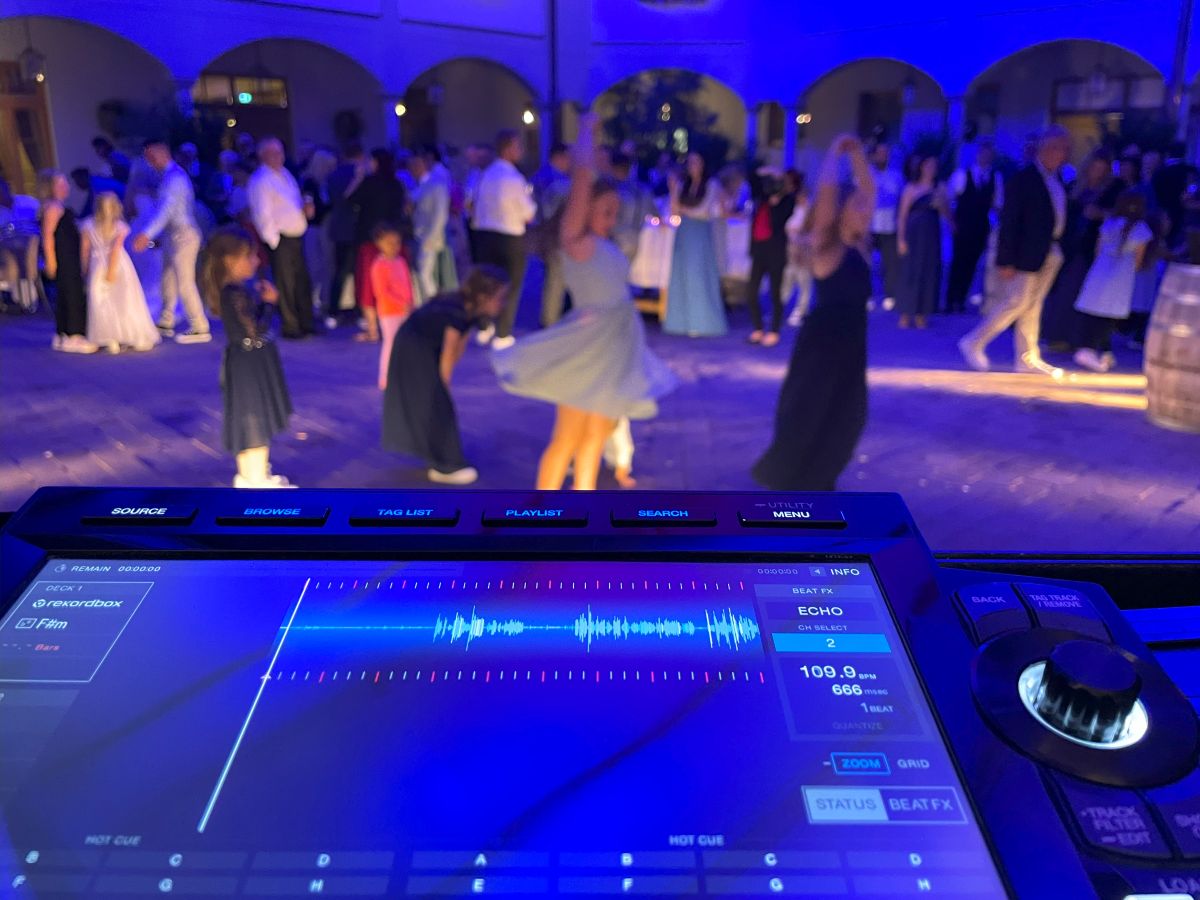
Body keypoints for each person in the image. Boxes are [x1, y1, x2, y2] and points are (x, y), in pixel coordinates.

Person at [491, 114, 677, 491]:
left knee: (594, 437)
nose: (612, 218)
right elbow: (582, 178)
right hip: (589, 348)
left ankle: (583, 504)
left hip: (613, 347)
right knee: (568, 438)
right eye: (606, 211)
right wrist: (587, 132)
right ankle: (543, 509)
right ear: (583, 208)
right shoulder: (576, 241)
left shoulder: (602, 243)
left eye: (614, 212)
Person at [752, 134, 876, 491]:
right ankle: (796, 486)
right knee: (810, 417)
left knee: (848, 418)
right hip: (823, 348)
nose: (865, 210)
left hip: (851, 346)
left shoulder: (861, 244)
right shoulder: (828, 245)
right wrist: (834, 153)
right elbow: (826, 197)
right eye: (857, 206)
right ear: (841, 211)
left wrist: (857, 153)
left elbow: (869, 189)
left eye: (865, 207)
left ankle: (818, 482)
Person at [958, 126, 1072, 377]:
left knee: (1033, 305)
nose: (1061, 153)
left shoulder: (1057, 180)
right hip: (1027, 252)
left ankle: (1027, 357)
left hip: (1050, 249)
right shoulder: (1024, 179)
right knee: (1016, 301)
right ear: (1043, 149)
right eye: (1055, 148)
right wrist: (1006, 259)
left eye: (1064, 148)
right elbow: (1010, 221)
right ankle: (974, 340)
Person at [382, 265, 508, 485]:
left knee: (434, 402)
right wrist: (443, 387)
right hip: (413, 348)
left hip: (420, 344)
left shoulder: (469, 310)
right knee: (437, 404)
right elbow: (449, 354)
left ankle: (438, 458)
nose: (503, 303)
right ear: (482, 296)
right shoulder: (455, 311)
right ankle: (445, 465)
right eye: (500, 298)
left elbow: (459, 347)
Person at [200, 226, 295, 489]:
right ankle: (257, 480)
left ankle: (250, 475)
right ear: (231, 260)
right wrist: (270, 303)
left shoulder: (232, 291)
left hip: (244, 361)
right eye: (249, 256)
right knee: (255, 416)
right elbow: (254, 332)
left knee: (248, 415)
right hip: (250, 364)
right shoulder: (234, 293)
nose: (255, 261)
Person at [132, 139, 212, 344]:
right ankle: (166, 320)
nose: (149, 162)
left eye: (151, 157)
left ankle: (199, 325)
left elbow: (166, 210)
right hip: (173, 235)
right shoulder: (169, 176)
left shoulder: (174, 178)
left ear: (160, 154)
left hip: (183, 235)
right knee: (167, 278)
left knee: (185, 281)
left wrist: (147, 234)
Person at [1040, 152, 1116, 348]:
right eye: (1094, 168)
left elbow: (1118, 217)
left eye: (1101, 169)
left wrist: (1101, 215)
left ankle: (1075, 338)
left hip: (1092, 248)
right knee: (1063, 291)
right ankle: (1057, 335)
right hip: (1070, 245)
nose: (1097, 173)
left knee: (1081, 292)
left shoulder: (1110, 192)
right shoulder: (1074, 187)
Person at [1071, 190, 1153, 372]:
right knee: (1110, 314)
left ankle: (1103, 351)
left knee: (1093, 310)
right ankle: (1089, 350)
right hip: (1122, 275)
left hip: (1100, 269)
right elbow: (1138, 261)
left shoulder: (1109, 223)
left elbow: (1098, 249)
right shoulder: (1141, 228)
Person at [471, 130, 536, 348]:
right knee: (510, 285)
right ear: (508, 149)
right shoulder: (513, 178)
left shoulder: (485, 175)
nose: (521, 151)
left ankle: (484, 325)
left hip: (484, 234)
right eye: (518, 146)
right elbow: (528, 213)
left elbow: (473, 204)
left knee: (486, 283)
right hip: (510, 237)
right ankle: (503, 333)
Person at [247, 137, 315, 339]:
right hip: (281, 239)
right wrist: (273, 241)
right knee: (286, 284)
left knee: (301, 281)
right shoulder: (261, 180)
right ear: (263, 156)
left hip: (296, 236)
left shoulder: (285, 174)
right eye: (274, 153)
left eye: (280, 152)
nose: (279, 157)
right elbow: (262, 214)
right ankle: (291, 326)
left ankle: (306, 322)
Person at [80, 192, 159, 353]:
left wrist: (85, 270)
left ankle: (110, 338)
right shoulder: (119, 226)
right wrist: (111, 270)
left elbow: (85, 251)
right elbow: (114, 249)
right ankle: (125, 335)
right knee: (123, 301)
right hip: (118, 266)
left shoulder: (89, 225)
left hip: (98, 265)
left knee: (102, 301)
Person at [348, 147, 409, 342]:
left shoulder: (368, 182)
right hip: (394, 241)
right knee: (396, 284)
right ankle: (398, 325)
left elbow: (350, 200)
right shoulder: (397, 184)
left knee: (369, 287)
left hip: (370, 240)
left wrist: (358, 177)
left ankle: (373, 329)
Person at [664, 152, 728, 337]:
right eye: (690, 162)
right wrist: (673, 190)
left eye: (697, 162)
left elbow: (703, 211)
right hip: (684, 232)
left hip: (699, 233)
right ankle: (680, 322)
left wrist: (683, 209)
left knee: (698, 275)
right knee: (681, 275)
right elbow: (674, 211)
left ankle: (702, 322)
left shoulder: (711, 185)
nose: (693, 166)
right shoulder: (683, 185)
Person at [38, 169, 96, 353]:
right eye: (60, 184)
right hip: (65, 258)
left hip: (68, 256)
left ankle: (62, 333)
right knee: (73, 295)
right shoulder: (53, 208)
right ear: (50, 187)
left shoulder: (56, 206)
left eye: (65, 183)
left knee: (65, 294)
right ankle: (74, 335)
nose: (65, 187)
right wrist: (51, 262)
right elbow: (47, 237)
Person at [946, 140, 1003, 313]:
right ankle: (950, 299)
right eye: (983, 153)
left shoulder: (995, 177)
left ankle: (961, 298)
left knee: (972, 263)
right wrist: (952, 222)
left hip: (981, 225)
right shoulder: (962, 174)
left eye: (988, 154)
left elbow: (997, 203)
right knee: (958, 261)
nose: (985, 157)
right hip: (963, 224)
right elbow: (950, 198)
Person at [745, 166, 797, 346]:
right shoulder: (762, 198)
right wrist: (768, 170)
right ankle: (758, 329)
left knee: (775, 293)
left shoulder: (788, 201)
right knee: (751, 292)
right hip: (759, 251)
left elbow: (779, 221)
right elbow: (752, 178)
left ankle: (774, 330)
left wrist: (777, 200)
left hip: (775, 251)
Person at [896, 155, 949, 329]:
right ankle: (905, 313)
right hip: (914, 234)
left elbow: (947, 214)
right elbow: (902, 216)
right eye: (928, 166)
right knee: (910, 271)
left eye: (934, 166)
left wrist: (941, 204)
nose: (931, 169)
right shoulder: (911, 188)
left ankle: (921, 313)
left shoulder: (939, 188)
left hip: (931, 234)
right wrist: (901, 239)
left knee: (928, 271)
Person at [370, 223, 414, 391]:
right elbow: (382, 292)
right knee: (390, 343)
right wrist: (401, 303)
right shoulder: (379, 265)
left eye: (397, 242)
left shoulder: (401, 261)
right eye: (389, 243)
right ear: (379, 243)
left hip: (405, 310)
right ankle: (386, 377)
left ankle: (404, 374)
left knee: (405, 343)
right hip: (389, 312)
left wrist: (411, 303)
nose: (394, 246)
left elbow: (408, 284)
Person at [324, 142, 365, 327]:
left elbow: (330, 199)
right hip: (355, 228)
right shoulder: (359, 173)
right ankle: (360, 311)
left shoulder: (333, 174)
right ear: (360, 155)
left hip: (338, 229)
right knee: (358, 272)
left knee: (339, 272)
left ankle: (333, 311)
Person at [532, 142, 572, 326]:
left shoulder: (539, 176)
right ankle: (550, 323)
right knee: (556, 280)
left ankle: (550, 319)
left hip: (543, 233)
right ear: (560, 157)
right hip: (556, 234)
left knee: (551, 278)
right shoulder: (558, 181)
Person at [409, 145, 454, 303]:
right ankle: (424, 303)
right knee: (420, 272)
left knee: (425, 272)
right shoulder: (420, 185)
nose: (413, 169)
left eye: (416, 165)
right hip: (418, 234)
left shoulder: (437, 185)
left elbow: (440, 215)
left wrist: (432, 237)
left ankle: (432, 304)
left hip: (429, 237)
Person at [868, 141, 903, 305]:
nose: (883, 157)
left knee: (890, 262)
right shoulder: (866, 174)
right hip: (869, 226)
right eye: (880, 154)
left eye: (886, 154)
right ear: (874, 155)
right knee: (867, 262)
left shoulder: (896, 176)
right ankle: (867, 294)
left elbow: (900, 200)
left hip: (890, 226)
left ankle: (889, 294)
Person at [610, 151, 655, 262]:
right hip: (635, 240)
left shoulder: (615, 190)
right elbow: (654, 213)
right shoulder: (644, 191)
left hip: (615, 241)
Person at [782, 170, 813, 326]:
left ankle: (801, 311)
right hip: (790, 247)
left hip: (803, 249)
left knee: (803, 280)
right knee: (788, 277)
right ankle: (780, 307)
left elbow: (808, 232)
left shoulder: (810, 213)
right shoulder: (794, 210)